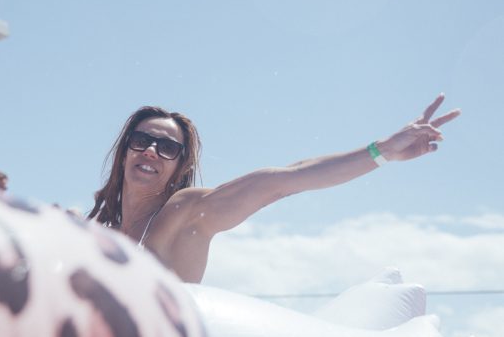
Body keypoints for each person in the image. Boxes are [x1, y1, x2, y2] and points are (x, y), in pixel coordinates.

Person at [89, 95, 460, 283]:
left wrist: (379, 152)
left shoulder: (182, 215)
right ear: (125, 149)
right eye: (142, 140)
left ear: (180, 166)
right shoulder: (94, 234)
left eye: (168, 147)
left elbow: (281, 181)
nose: (152, 150)